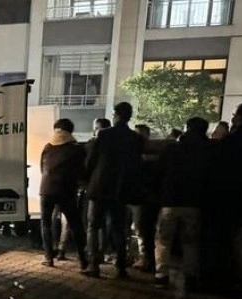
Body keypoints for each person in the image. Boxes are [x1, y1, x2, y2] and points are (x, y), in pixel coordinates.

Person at [203, 102, 242, 290]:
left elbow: (216, 168)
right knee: (237, 240)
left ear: (241, 117)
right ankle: (237, 280)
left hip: (224, 198)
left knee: (222, 241)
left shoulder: (232, 141)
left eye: (235, 114)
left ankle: (222, 280)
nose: (232, 117)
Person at [84, 102, 143, 278]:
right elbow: (136, 165)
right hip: (120, 188)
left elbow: (91, 161)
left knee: (93, 225)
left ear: (116, 115)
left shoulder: (103, 134)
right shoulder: (135, 138)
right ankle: (120, 267)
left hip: (100, 186)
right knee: (119, 228)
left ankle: (93, 265)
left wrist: (88, 178)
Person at [154, 117, 210, 296]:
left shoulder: (172, 148)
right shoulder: (208, 151)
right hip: (195, 203)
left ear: (187, 129)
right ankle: (190, 276)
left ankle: (161, 275)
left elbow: (159, 171)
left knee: (164, 240)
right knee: (190, 242)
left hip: (170, 201)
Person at [58, 118, 111, 261]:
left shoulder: (91, 146)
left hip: (89, 189)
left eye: (96, 128)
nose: (94, 130)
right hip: (104, 189)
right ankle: (98, 252)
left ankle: (89, 254)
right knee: (100, 223)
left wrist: (82, 182)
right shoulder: (113, 147)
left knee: (89, 223)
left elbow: (84, 167)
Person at [39, 119, 88, 269]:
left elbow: (42, 168)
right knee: (75, 224)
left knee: (46, 224)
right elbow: (82, 171)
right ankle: (82, 259)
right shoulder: (76, 149)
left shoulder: (47, 147)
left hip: (46, 189)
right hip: (66, 191)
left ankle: (48, 257)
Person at [130, 124, 172, 273]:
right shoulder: (160, 152)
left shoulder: (141, 154)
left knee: (143, 229)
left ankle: (147, 260)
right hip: (155, 197)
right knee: (148, 230)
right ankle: (149, 260)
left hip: (145, 197)